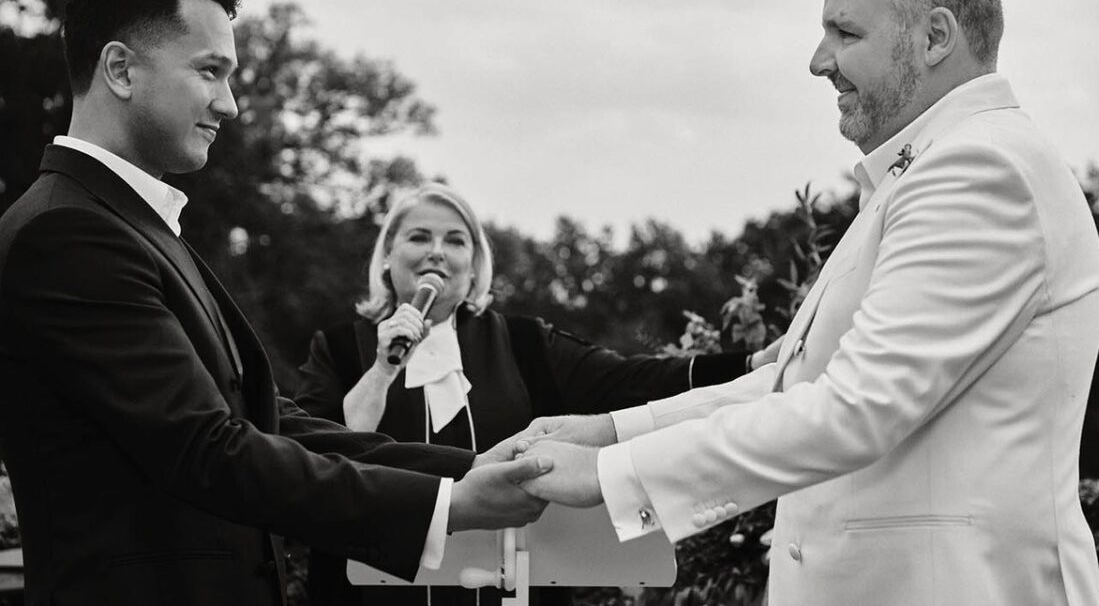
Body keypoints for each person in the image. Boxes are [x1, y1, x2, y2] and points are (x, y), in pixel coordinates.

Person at [517, 0, 1099, 606]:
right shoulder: (928, 171)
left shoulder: (978, 171)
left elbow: (856, 406)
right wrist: (610, 432)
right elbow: (795, 385)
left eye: (845, 33)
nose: (818, 61)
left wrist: (610, 475)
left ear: (935, 37)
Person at [0, 0, 552, 606]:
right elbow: (206, 448)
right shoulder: (67, 234)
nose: (230, 105)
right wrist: (448, 506)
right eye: (210, 71)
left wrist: (468, 467)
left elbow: (263, 420)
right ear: (120, 69)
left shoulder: (128, 224)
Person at [294, 181, 777, 605]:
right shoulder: (339, 348)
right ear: (387, 256)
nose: (436, 251)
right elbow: (316, 455)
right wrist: (383, 368)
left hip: (513, 588)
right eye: (419, 237)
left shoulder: (523, 344)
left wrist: (750, 366)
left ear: (475, 265)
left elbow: (629, 379)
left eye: (455, 240)